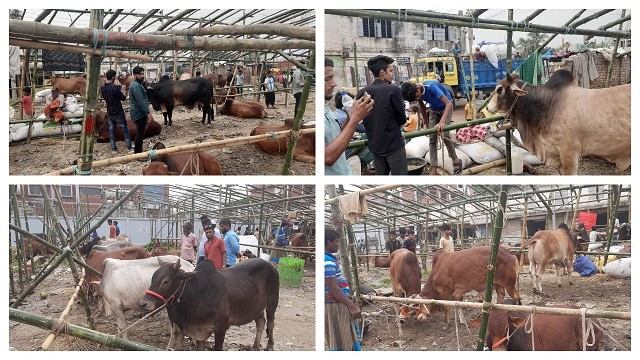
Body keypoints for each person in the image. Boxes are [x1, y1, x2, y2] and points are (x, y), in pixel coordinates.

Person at [358, 55, 408, 175]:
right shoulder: (393, 90)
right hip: (393, 145)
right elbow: (402, 118)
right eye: (390, 71)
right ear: (382, 72)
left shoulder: (361, 93)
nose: (392, 74)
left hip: (375, 147)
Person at [324, 58, 374, 175]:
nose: (334, 83)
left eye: (332, 77)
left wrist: (351, 115)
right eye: (327, 79)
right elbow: (328, 157)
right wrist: (356, 118)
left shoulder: (327, 109)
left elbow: (336, 138)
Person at [401, 80, 462, 175]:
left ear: (417, 89)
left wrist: (442, 122)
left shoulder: (432, 87)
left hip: (445, 107)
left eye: (417, 97)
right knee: (432, 138)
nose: (417, 99)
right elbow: (422, 108)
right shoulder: (416, 92)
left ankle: (455, 160)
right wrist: (426, 124)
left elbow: (449, 104)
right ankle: (434, 169)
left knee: (444, 134)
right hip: (434, 109)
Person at [325, 227, 362, 351]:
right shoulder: (327, 261)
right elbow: (332, 287)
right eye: (337, 241)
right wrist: (351, 306)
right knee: (343, 337)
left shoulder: (329, 258)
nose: (338, 244)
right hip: (336, 306)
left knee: (341, 337)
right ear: (329, 242)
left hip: (338, 302)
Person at [101, 69, 133, 154]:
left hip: (110, 112)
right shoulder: (115, 88)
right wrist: (123, 89)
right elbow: (123, 98)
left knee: (111, 130)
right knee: (125, 129)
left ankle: (114, 149)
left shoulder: (103, 88)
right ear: (113, 77)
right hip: (118, 112)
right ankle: (129, 148)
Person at [128, 66, 152, 154]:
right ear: (134, 75)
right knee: (140, 134)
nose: (142, 76)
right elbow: (141, 101)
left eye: (142, 74)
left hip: (138, 113)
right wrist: (148, 113)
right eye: (140, 74)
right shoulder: (136, 86)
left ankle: (138, 151)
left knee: (140, 133)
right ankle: (138, 153)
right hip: (139, 114)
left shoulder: (138, 84)